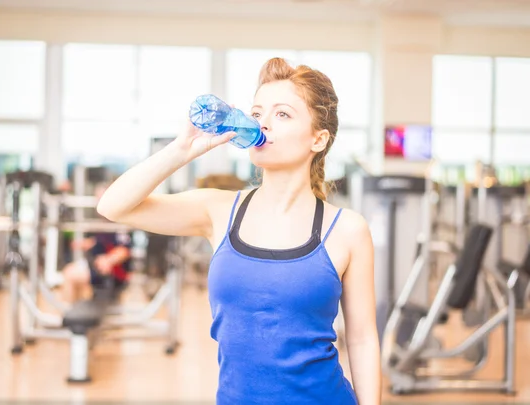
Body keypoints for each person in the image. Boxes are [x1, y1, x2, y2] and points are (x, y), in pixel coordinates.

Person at [97, 58, 381, 404]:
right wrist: (182, 149)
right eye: (257, 113)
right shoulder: (218, 210)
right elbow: (114, 206)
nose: (262, 123)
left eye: (282, 114)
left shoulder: (347, 230)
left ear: (318, 139)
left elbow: (363, 339)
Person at [61, 183, 133, 303]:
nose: (98, 204)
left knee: (69, 274)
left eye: (101, 199)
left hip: (111, 272)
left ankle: (69, 314)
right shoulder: (106, 220)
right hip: (97, 264)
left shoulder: (119, 221)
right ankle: (75, 313)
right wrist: (86, 243)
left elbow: (124, 250)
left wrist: (109, 260)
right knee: (71, 272)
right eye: (98, 199)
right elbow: (103, 240)